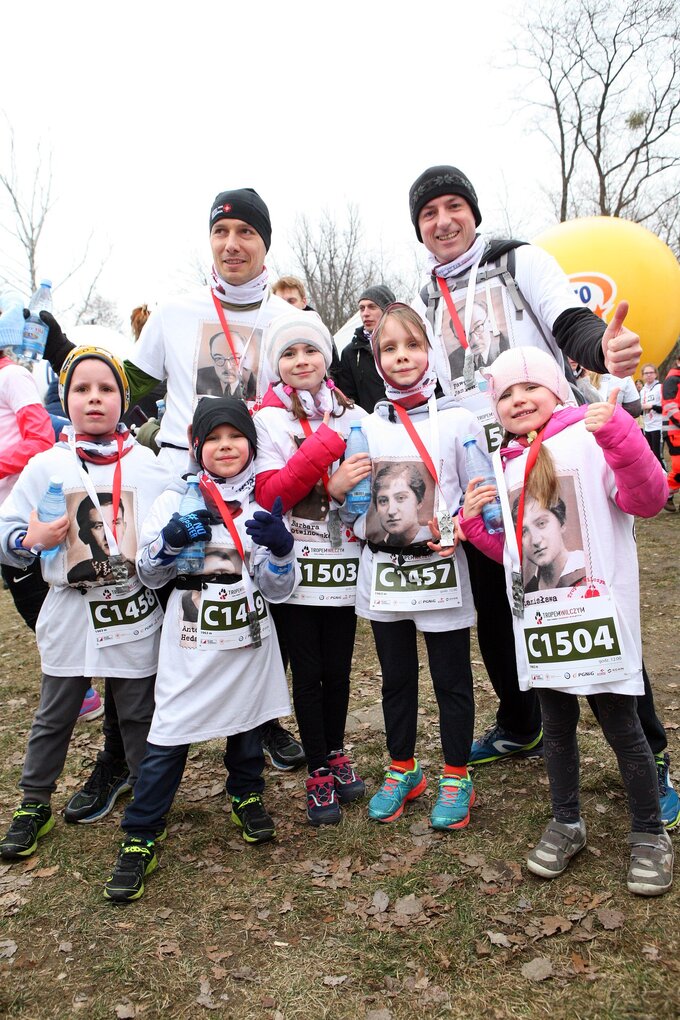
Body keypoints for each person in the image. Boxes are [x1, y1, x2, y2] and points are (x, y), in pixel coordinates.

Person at [407, 165, 675, 813]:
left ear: (473, 211)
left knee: (585, 587)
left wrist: (602, 351)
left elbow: (570, 322)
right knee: (503, 599)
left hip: (552, 449)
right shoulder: (424, 297)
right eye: (429, 213)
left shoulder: (517, 260)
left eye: (454, 207)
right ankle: (521, 723)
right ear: (418, 228)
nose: (444, 221)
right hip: (482, 461)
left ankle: (652, 755)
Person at [40, 186, 306, 772]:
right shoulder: (175, 312)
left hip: (251, 483)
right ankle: (118, 756)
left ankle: (262, 722)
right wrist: (96, 444)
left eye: (246, 234)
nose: (232, 245)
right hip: (177, 481)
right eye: (221, 233)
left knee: (259, 595)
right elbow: (128, 392)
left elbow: (311, 396)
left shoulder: (291, 320)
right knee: (141, 606)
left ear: (265, 243)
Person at [459, 346, 673, 895]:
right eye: (505, 393)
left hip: (596, 617)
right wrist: (473, 528)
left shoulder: (591, 436)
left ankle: (649, 834)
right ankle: (566, 820)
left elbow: (647, 499)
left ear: (557, 389)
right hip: (544, 625)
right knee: (556, 729)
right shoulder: (507, 463)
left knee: (624, 730)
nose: (518, 399)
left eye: (529, 386)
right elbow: (516, 553)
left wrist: (621, 434)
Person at [103, 397, 299, 902]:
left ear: (250, 445)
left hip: (247, 635)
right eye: (214, 438)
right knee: (170, 730)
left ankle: (246, 793)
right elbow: (148, 574)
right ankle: (142, 830)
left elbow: (278, 591)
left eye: (235, 436)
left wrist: (281, 550)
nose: (225, 446)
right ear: (197, 447)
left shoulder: (263, 499)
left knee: (247, 718)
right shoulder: (174, 497)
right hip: (191, 637)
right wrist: (166, 544)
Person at [0, 346, 167, 860]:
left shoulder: (149, 466)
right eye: (81, 389)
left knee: (138, 712)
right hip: (71, 609)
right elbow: (7, 530)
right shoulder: (44, 464)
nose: (94, 399)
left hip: (131, 607)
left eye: (106, 389)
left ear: (122, 399)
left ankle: (146, 801)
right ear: (66, 397)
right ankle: (33, 803)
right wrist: (28, 538)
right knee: (56, 712)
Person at [347, 304, 481, 831]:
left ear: (430, 352)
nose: (401, 357)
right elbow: (353, 508)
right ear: (376, 359)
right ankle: (403, 767)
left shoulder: (459, 420)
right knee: (396, 678)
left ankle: (456, 774)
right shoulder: (365, 426)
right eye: (389, 348)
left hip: (441, 571)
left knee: (451, 677)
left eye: (412, 346)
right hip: (384, 578)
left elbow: (479, 495)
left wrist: (458, 531)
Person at [254, 311, 367, 825]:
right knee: (309, 672)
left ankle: (337, 750)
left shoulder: (351, 412)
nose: (301, 361)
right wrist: (328, 479)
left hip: (341, 564)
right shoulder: (266, 418)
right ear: (276, 365)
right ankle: (317, 769)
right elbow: (270, 492)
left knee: (339, 669)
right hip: (295, 568)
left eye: (310, 351)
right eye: (289, 353)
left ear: (327, 358)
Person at [335, 285, 396, 412]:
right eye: (362, 308)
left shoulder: (404, 346)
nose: (365, 313)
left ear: (387, 310)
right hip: (370, 425)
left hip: (408, 420)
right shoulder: (350, 353)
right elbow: (348, 399)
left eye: (372, 307)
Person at [515, 495, 586, 592]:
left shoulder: (591, 569)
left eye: (541, 523)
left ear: (562, 523)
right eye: (524, 532)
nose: (535, 540)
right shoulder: (527, 590)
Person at [371, 463, 431, 546]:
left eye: (401, 498)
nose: (391, 511)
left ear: (419, 501)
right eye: (383, 501)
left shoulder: (435, 539)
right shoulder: (374, 548)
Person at [661, 352, 680, 512]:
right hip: (674, 432)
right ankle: (664, 495)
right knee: (679, 467)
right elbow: (669, 405)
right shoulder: (672, 380)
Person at [639, 364, 665, 469]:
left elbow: (665, 407)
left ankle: (666, 477)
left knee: (658, 456)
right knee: (651, 456)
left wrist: (652, 406)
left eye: (651, 373)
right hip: (647, 426)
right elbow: (641, 411)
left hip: (658, 426)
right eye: (646, 373)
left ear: (655, 374)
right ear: (642, 375)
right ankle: (659, 479)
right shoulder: (642, 391)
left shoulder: (660, 387)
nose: (648, 375)